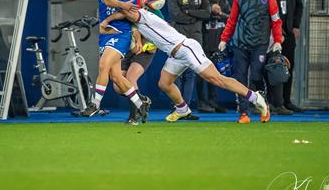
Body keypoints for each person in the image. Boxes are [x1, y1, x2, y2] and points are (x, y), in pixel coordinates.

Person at [100, 8, 270, 123]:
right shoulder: (137, 24)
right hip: (175, 54)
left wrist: (106, 19)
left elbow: (124, 13)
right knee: (164, 83)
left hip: (187, 48)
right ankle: (182, 109)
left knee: (216, 79)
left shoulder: (141, 14)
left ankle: (255, 97)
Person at [82, 0, 149, 124]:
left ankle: (95, 104)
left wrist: (116, 14)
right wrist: (122, 5)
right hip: (105, 35)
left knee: (103, 65)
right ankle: (141, 104)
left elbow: (127, 15)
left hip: (122, 35)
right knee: (117, 77)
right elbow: (108, 0)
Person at [219, 0, 283, 124]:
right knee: (239, 79)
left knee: (256, 76)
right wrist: (224, 39)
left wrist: (277, 40)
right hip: (240, 45)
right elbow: (232, 20)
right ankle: (243, 113)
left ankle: (264, 108)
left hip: (260, 46)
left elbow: (276, 22)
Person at [116, 0, 163, 123]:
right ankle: (141, 100)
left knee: (130, 79)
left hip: (146, 51)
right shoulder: (130, 8)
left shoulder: (157, 14)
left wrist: (146, 46)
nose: (142, 1)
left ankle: (133, 116)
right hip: (128, 50)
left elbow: (160, 40)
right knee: (118, 86)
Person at [168, 0, 211, 118]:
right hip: (178, 39)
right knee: (176, 75)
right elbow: (177, 16)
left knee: (190, 74)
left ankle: (185, 110)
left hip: (196, 39)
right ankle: (178, 107)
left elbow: (207, 13)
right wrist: (195, 16)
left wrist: (189, 12)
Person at [267, 0, 304, 113]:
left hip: (288, 34)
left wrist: (295, 26)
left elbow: (299, 6)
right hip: (271, 34)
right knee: (272, 68)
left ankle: (286, 101)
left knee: (288, 67)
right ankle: (273, 102)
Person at [196, 0, 231, 113]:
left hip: (218, 39)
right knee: (201, 72)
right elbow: (197, 15)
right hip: (203, 38)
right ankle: (202, 102)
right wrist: (210, 10)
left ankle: (213, 101)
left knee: (216, 72)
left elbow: (229, 17)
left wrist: (219, 13)